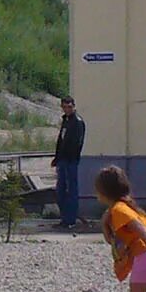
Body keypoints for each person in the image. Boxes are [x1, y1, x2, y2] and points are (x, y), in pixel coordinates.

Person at [51, 96, 86, 229]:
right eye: (65, 107)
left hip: (71, 161)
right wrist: (57, 158)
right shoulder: (66, 121)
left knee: (71, 190)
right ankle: (64, 218)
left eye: (69, 107)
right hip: (62, 160)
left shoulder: (78, 122)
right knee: (60, 190)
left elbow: (77, 143)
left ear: (74, 107)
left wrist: (71, 157)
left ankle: (70, 220)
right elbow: (61, 141)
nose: (67, 110)